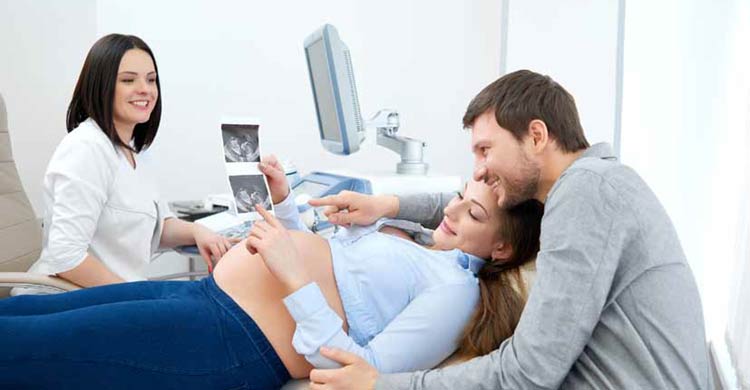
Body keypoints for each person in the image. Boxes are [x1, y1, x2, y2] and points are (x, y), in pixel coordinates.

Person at [307, 70, 710, 389]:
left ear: (536, 136)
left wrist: (383, 384)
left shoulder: (585, 193)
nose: (479, 168)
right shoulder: (582, 187)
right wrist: (387, 205)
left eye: (486, 149)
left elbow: (528, 374)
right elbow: (471, 201)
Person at [0, 155, 543, 388]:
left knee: (22, 347)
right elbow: (327, 262)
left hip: (229, 341)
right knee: (20, 313)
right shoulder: (430, 247)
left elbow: (363, 372)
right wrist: (285, 207)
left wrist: (292, 277)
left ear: (500, 249)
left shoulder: (456, 294)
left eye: (471, 213)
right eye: (459, 199)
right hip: (205, 300)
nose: (449, 211)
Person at [14, 34, 232, 294]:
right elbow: (66, 257)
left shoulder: (134, 151)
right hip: (66, 299)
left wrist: (198, 231)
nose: (145, 89)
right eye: (129, 80)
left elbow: (156, 227)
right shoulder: (86, 149)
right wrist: (138, 295)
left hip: (115, 298)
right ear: (101, 86)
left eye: (151, 80)